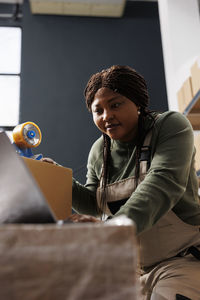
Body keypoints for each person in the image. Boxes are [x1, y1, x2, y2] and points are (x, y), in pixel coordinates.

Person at [68, 65, 200, 300]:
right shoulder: (100, 150)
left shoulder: (170, 126)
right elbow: (93, 203)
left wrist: (113, 231)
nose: (107, 115)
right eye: (98, 110)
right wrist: (55, 177)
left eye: (115, 104)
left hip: (181, 261)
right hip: (130, 269)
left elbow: (161, 184)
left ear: (137, 103)